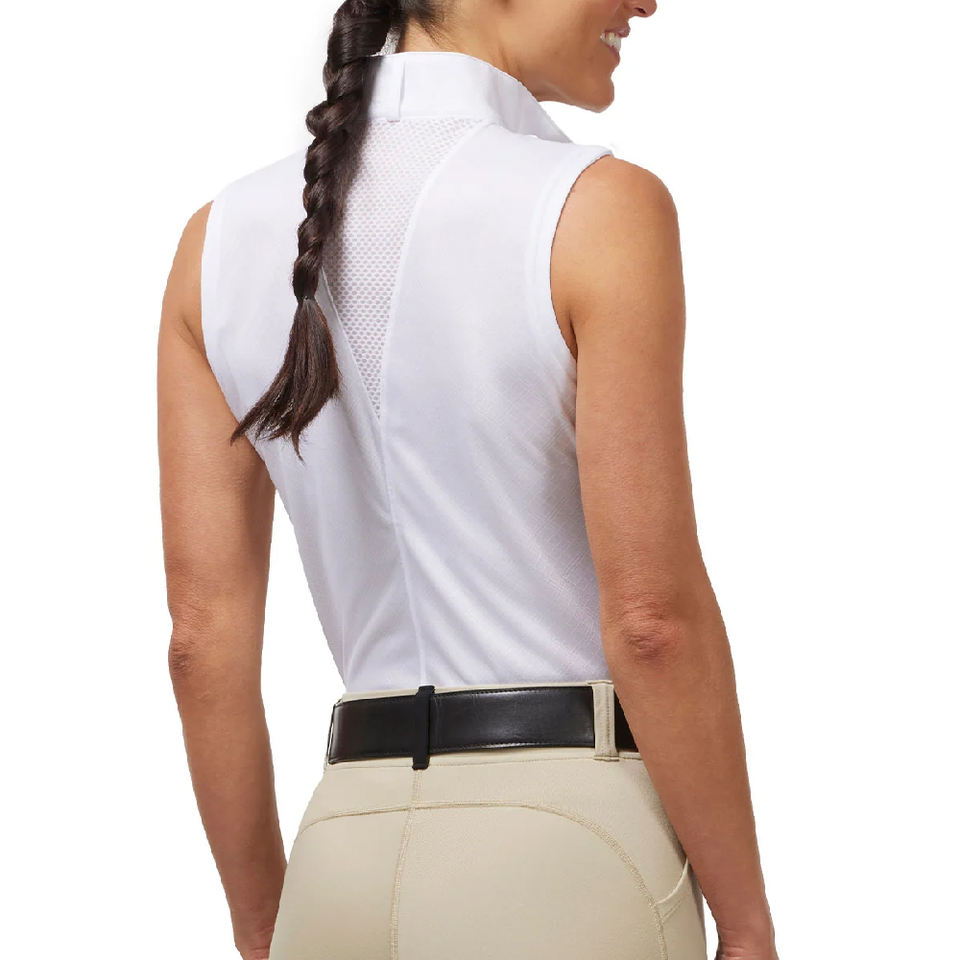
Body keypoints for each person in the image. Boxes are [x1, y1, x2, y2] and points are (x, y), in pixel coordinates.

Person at [157, 2, 779, 958]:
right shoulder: (595, 209)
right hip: (570, 859)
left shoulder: (214, 242)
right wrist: (747, 925)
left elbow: (202, 645)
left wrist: (265, 929)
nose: (647, 1)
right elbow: (653, 623)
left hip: (339, 859)